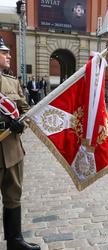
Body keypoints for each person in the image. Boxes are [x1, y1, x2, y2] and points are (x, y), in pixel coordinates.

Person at [0, 37, 40, 249]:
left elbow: (25, 110)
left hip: (12, 150)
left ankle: (15, 241)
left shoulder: (12, 82)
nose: (9, 55)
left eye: (8, 51)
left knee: (13, 196)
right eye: (4, 52)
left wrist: (20, 124)